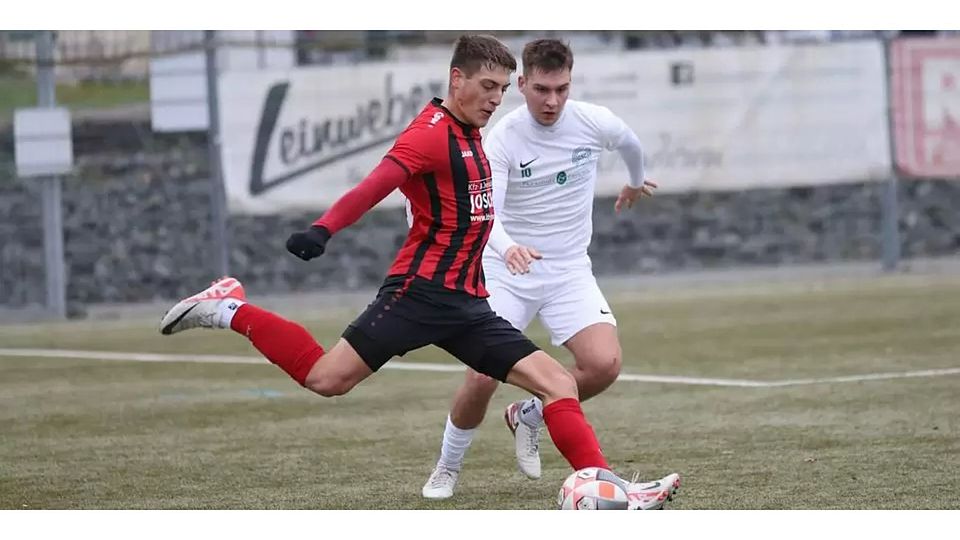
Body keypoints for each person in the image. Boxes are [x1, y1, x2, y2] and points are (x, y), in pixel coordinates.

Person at [158, 34, 677, 510]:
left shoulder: (476, 131)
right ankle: (229, 307)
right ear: (457, 80)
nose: (496, 99)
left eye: (500, 88)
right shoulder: (430, 135)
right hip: (416, 295)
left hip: (470, 303)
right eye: (487, 86)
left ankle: (610, 490)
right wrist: (324, 229)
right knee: (326, 379)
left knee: (559, 385)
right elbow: (377, 183)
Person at [422, 39, 662, 500]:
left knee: (604, 365)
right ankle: (447, 467)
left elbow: (630, 143)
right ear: (522, 84)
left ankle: (529, 414)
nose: (552, 101)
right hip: (504, 267)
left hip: (568, 269)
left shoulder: (593, 121)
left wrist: (634, 182)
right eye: (541, 90)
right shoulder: (504, 138)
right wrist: (509, 248)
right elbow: (484, 211)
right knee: (481, 374)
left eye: (561, 89)